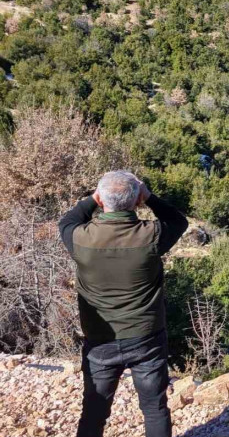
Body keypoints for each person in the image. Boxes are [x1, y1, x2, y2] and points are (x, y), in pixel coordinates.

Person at [59, 170, 188, 437]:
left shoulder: (80, 238)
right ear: (137, 199)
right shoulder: (151, 235)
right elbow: (178, 220)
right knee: (154, 408)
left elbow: (68, 220)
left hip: (100, 341)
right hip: (146, 339)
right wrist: (149, 197)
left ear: (101, 201)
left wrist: (93, 199)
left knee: (94, 411)